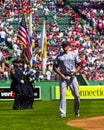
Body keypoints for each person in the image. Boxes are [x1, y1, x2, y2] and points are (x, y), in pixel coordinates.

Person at [53, 41, 82, 118]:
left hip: (72, 77)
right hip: (64, 77)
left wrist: (75, 72)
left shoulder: (73, 54)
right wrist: (61, 75)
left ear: (69, 46)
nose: (64, 46)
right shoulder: (59, 56)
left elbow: (79, 64)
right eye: (63, 45)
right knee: (62, 95)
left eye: (65, 45)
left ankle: (77, 111)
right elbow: (54, 67)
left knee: (77, 96)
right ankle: (62, 114)